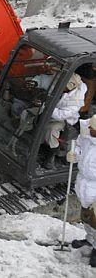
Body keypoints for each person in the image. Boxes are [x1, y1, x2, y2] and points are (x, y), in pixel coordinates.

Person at [67, 114, 96, 267]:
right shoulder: (86, 135)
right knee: (85, 217)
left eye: (93, 128)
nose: (89, 129)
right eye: (90, 126)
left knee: (95, 221)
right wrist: (74, 155)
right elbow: (78, 146)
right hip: (84, 183)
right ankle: (90, 240)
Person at [44, 73, 86, 169]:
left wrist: (47, 107)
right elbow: (46, 80)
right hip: (49, 111)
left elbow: (61, 115)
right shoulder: (63, 80)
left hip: (64, 120)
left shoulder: (76, 99)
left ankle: (51, 156)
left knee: (52, 130)